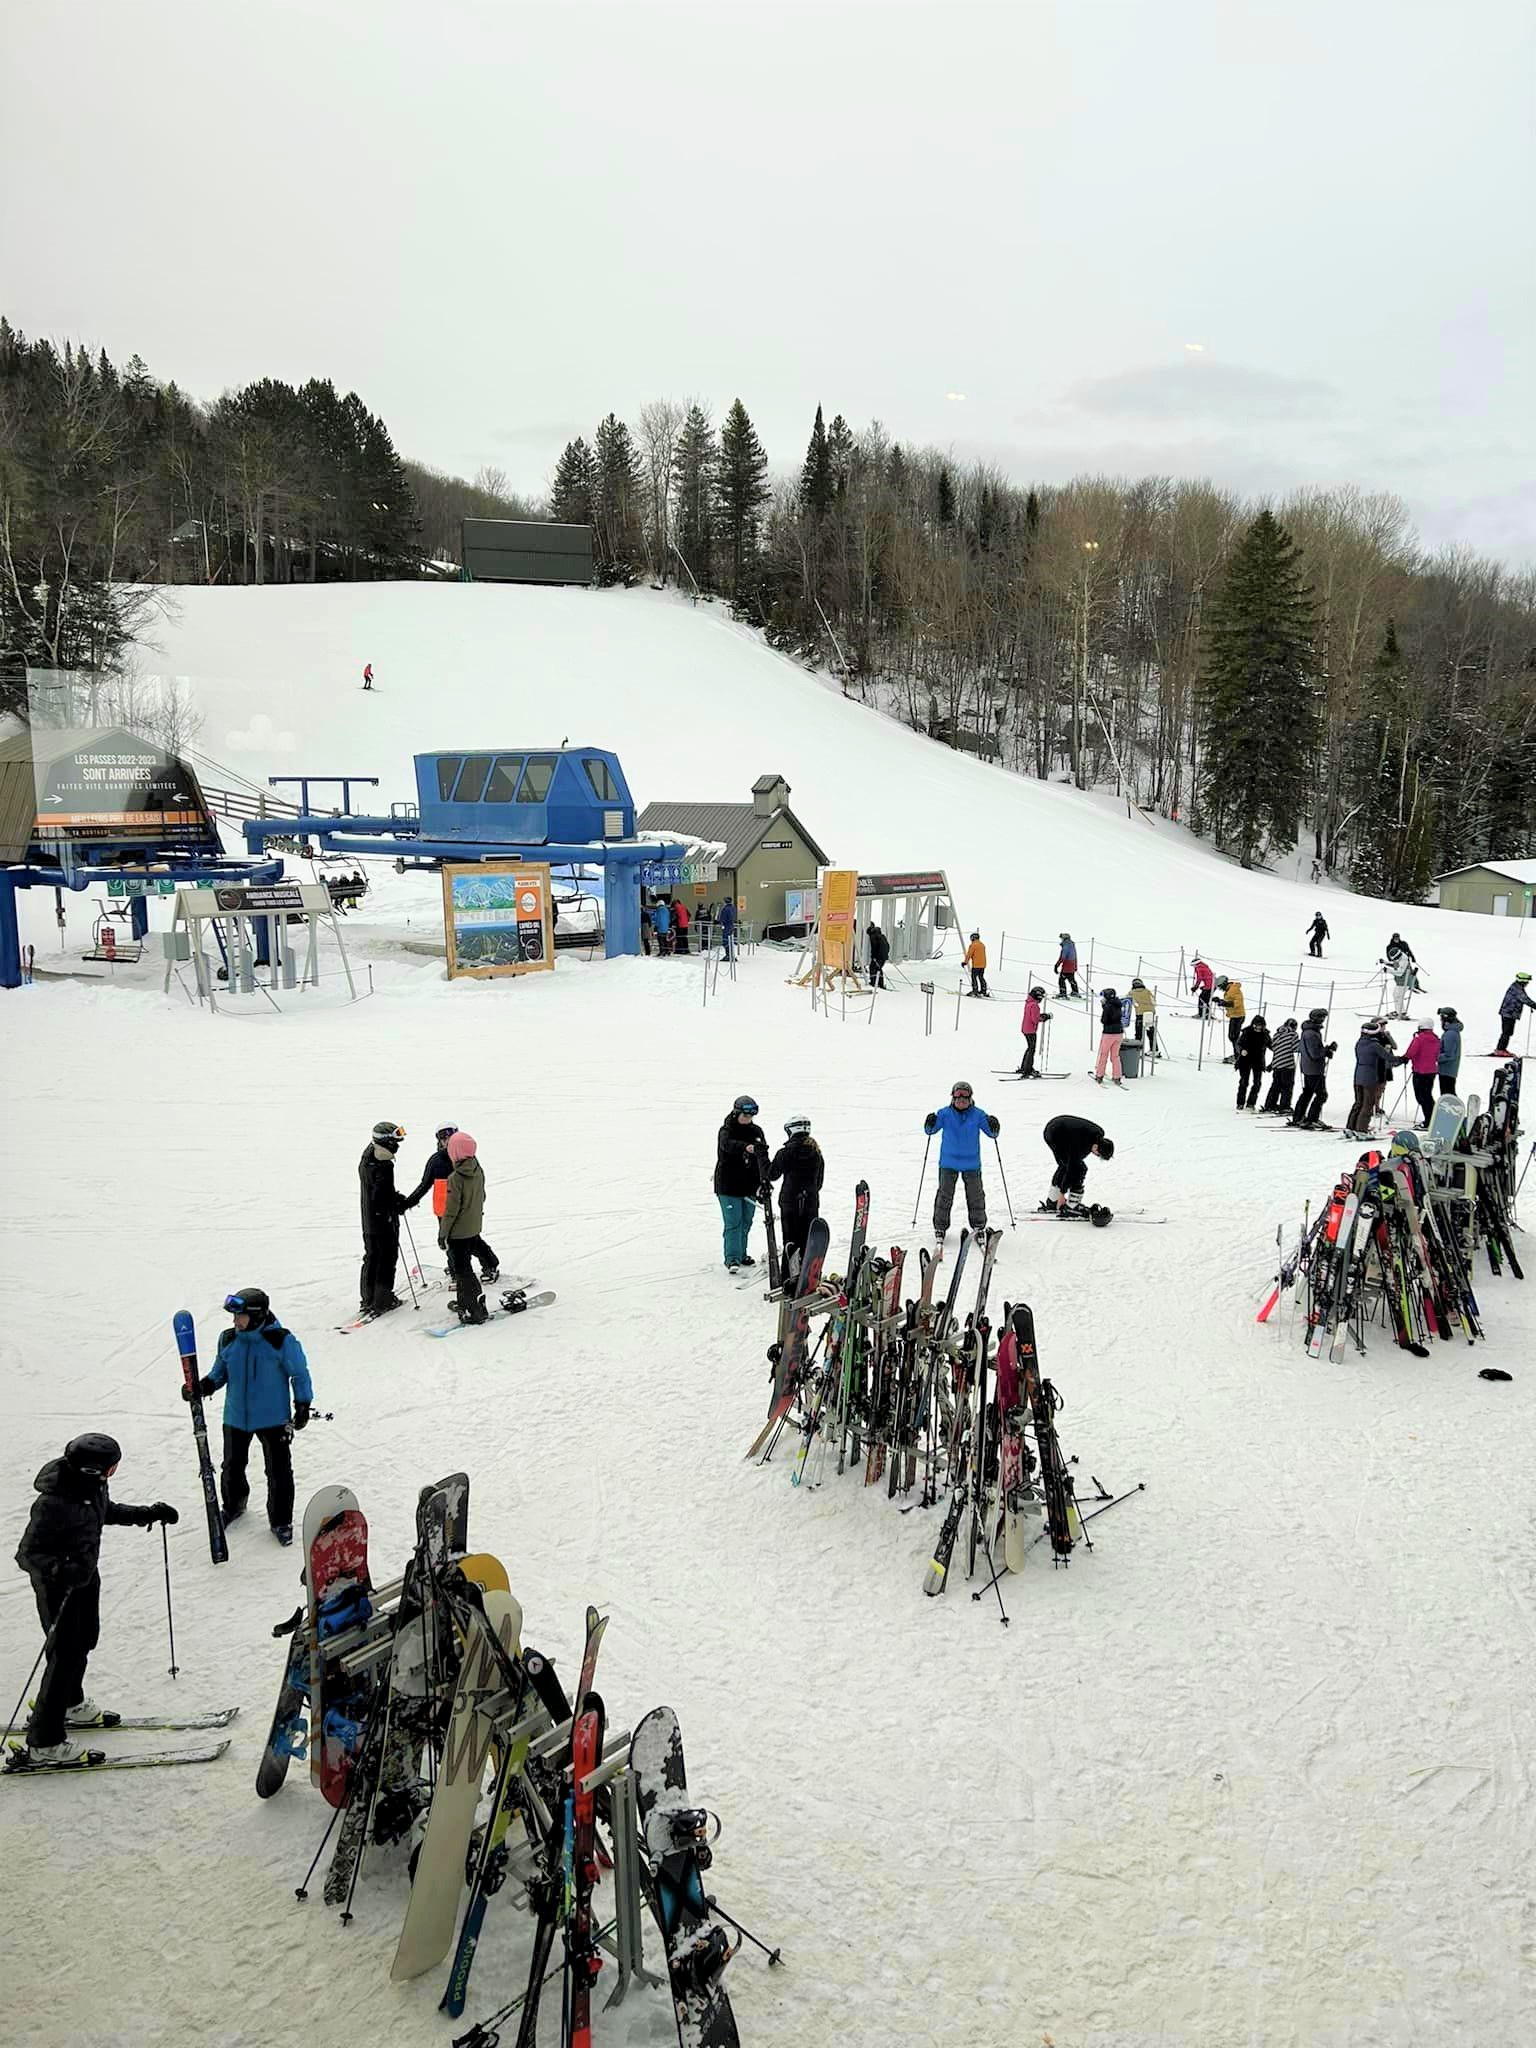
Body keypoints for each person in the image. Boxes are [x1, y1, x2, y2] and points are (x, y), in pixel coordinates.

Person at [13, 1434, 178, 1765]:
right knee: (65, 1656)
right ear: (95, 1469)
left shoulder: (91, 1486)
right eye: (111, 1467)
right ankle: (44, 1742)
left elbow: (104, 1511)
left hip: (85, 1577)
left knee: (86, 1639)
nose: (113, 1472)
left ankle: (70, 1704)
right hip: (58, 1587)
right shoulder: (53, 1502)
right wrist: (62, 1569)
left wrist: (145, 1514)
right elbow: (27, 1554)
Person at [182, 1288, 312, 1545]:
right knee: (231, 1467)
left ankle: (281, 1521)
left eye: (239, 1316)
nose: (234, 1321)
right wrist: (202, 1387)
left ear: (256, 1315)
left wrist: (302, 1404)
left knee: (279, 1472)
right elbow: (219, 1373)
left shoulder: (280, 1340)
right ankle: (233, 1505)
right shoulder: (228, 1339)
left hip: (273, 1419)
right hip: (236, 1417)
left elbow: (299, 1373)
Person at [923, 1081, 1000, 1237]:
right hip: (948, 1163)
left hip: (971, 1164)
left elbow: (992, 1134)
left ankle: (978, 1226)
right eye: (958, 1096)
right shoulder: (944, 1113)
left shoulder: (978, 1115)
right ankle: (940, 1227)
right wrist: (929, 1122)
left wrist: (994, 1125)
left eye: (965, 1097)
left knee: (976, 1197)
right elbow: (930, 1131)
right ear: (953, 1098)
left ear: (970, 1098)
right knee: (944, 1196)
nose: (961, 1100)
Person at [440, 1132, 497, 1324]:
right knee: (466, 1264)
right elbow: (482, 1196)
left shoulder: (455, 1178)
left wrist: (443, 1234)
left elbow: (451, 1211)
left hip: (458, 1233)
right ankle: (465, 1302)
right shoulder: (477, 1169)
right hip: (473, 1226)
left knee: (462, 1270)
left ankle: (474, 1308)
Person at [359, 1120, 409, 1316]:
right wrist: (396, 1205)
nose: (398, 1145)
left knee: (372, 1257)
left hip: (369, 1220)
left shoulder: (369, 1156)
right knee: (386, 1259)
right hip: (382, 1221)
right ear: (387, 1141)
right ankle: (382, 1300)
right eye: (395, 1140)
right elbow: (380, 1196)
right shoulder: (383, 1164)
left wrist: (393, 1197)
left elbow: (377, 1189)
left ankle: (368, 1299)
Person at [715, 1096, 769, 1274]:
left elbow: (762, 1157)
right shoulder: (726, 1131)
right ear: (736, 1113)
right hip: (728, 1186)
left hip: (749, 1186)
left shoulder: (756, 1131)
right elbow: (727, 1145)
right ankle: (732, 1258)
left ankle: (742, 1253)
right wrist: (746, 1147)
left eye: (751, 1116)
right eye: (745, 1115)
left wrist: (764, 1181)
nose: (748, 1119)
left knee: (746, 1222)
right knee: (733, 1223)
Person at [767, 1114, 824, 1283]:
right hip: (811, 1201)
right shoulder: (816, 1153)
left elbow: (771, 1174)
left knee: (790, 1239)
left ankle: (789, 1276)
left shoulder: (786, 1153)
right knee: (808, 1238)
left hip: (790, 1201)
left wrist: (761, 1155)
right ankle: (808, 1272)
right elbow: (819, 1182)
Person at [1041, 1113, 1114, 1215]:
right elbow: (1071, 1167)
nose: (1096, 1156)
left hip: (1057, 1127)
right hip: (1055, 1133)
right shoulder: (1082, 1143)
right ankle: (1071, 1205)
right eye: (1098, 1154)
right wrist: (1062, 1194)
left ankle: (1053, 1201)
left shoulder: (1097, 1135)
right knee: (1078, 1168)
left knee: (1066, 1166)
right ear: (1096, 1147)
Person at [1288, 1009, 1336, 1128]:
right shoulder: (1311, 1033)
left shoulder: (1310, 1031)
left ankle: (1299, 1117)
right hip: (1314, 1068)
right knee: (1321, 1094)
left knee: (1308, 1093)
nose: (1323, 1020)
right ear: (1316, 1018)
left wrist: (1326, 1050)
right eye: (1321, 1017)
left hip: (1309, 1067)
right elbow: (1314, 1053)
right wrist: (1326, 1050)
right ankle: (1311, 1118)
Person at [1345, 1023, 1386, 1139]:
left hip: (1358, 1076)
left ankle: (1350, 1127)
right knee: (1368, 1104)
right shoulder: (1375, 1045)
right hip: (1370, 1078)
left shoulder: (1359, 1043)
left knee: (1358, 1103)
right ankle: (1361, 1130)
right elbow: (1387, 1057)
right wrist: (1402, 1059)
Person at [1401, 1021, 1441, 1129]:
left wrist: (1405, 1058)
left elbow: (1411, 1052)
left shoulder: (1419, 1039)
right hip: (1431, 1071)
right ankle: (1432, 1118)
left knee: (1421, 1096)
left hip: (1419, 1071)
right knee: (1427, 1095)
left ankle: (1429, 1120)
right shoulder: (1436, 1039)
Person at [1261, 1017, 1299, 1116]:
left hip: (1277, 1064)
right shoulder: (1293, 1034)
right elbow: (1295, 1048)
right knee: (1287, 1087)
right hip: (1287, 1064)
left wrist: (1272, 1064)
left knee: (1275, 1086)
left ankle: (1270, 1105)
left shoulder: (1277, 1034)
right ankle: (1285, 1106)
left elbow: (1274, 1048)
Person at [1235, 1014, 1271, 1112]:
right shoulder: (1246, 1032)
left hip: (1258, 1062)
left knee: (1257, 1083)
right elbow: (1238, 1044)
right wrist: (1241, 1050)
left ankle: (1251, 1103)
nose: (1259, 1028)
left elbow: (1271, 1045)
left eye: (1261, 1026)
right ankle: (1240, 1102)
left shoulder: (1265, 1034)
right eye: (1257, 1025)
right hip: (1245, 1061)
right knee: (1244, 1082)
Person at [1496, 972, 1536, 1053]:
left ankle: (1501, 1049)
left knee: (1508, 1032)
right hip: (1508, 1013)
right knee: (1506, 1032)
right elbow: (1525, 999)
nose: (1527, 984)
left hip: (1510, 1013)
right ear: (1523, 981)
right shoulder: (1517, 989)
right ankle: (1500, 1050)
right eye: (1527, 982)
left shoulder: (1517, 987)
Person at [1094, 986, 1125, 1086]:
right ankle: (1117, 1076)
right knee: (1115, 1056)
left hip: (1108, 1033)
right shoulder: (1118, 1004)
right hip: (1119, 1032)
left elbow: (1105, 1020)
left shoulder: (1108, 1006)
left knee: (1104, 1054)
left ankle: (1099, 1075)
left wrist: (1104, 1007)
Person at [1018, 984, 1051, 1077]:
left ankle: (1024, 1067)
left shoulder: (1029, 1002)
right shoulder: (1034, 1005)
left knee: (1029, 1048)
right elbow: (1035, 1019)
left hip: (1025, 1028)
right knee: (1032, 1049)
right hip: (1030, 1030)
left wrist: (1042, 1016)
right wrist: (1045, 1017)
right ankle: (1027, 1069)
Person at [1215, 974, 1245, 1062]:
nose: (1221, 989)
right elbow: (1229, 1001)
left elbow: (1237, 1003)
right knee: (1232, 1037)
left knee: (1234, 1037)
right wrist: (1220, 1001)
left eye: (1221, 987)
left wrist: (1225, 1003)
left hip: (1238, 1016)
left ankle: (1238, 1056)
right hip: (1234, 1016)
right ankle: (1237, 1054)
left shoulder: (1234, 989)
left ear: (1224, 984)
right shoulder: (1229, 990)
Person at [1128, 977, 1158, 1056]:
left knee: (1139, 1033)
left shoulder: (1131, 993)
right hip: (1150, 1013)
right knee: (1150, 1032)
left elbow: (1132, 1003)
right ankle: (1154, 1049)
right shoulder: (1147, 991)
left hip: (1140, 1014)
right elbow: (1154, 1002)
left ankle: (1138, 1050)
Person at [1436, 1006, 1462, 1093]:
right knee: (1448, 1093)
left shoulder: (1450, 1034)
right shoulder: (1451, 1032)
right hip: (1448, 1070)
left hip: (1447, 1070)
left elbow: (1449, 1055)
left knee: (1447, 1094)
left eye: (1441, 1019)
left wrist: (1435, 1057)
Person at [963, 931, 989, 997]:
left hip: (976, 965)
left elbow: (969, 954)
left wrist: (965, 962)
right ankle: (983, 990)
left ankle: (975, 990)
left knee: (974, 977)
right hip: (983, 965)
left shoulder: (973, 945)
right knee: (981, 977)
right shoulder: (982, 945)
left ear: (973, 938)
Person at [1054, 933, 1080, 998]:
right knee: (1071, 979)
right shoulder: (1072, 945)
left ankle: (1063, 993)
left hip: (1067, 966)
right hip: (1072, 965)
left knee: (1061, 980)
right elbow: (1075, 956)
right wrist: (1075, 966)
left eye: (1062, 938)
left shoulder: (1066, 946)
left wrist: (1056, 965)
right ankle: (1075, 992)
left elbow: (1062, 957)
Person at [866, 922, 890, 989]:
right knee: (879, 968)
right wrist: (885, 954)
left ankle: (873, 983)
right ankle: (880, 983)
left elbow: (874, 948)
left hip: (878, 957)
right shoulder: (882, 936)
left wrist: (873, 957)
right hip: (884, 956)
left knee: (872, 968)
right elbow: (888, 946)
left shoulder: (873, 936)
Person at [1191, 954, 1215, 1019]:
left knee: (1202, 999)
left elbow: (1199, 978)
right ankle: (1207, 1014)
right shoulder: (1204, 966)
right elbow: (1208, 977)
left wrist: (1195, 987)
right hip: (1213, 985)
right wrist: (1204, 986)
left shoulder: (1198, 968)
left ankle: (1202, 1014)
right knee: (1206, 1000)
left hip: (1209, 986)